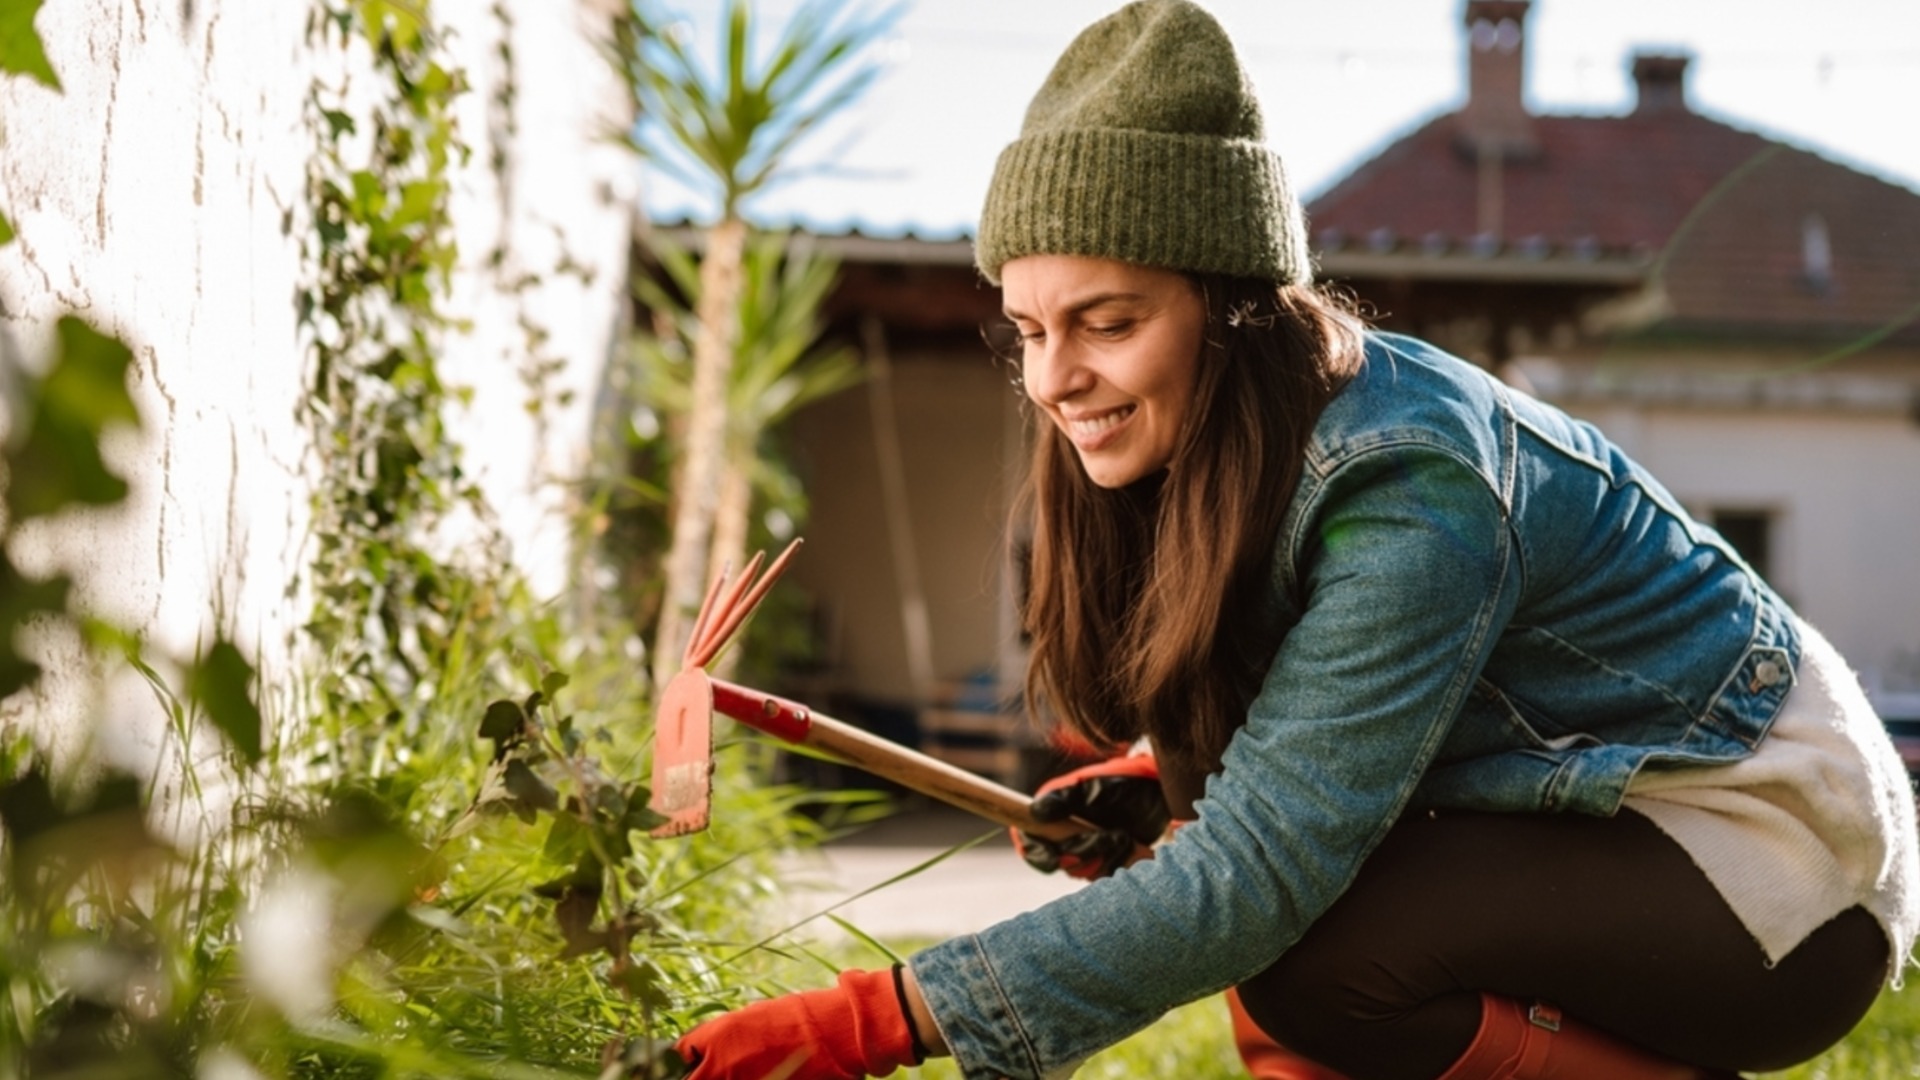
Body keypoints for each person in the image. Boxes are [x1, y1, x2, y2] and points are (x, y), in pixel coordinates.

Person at [672, 2, 1919, 1077]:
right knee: (1285, 916)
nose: (1057, 378)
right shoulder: (1219, 446)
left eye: (1104, 321)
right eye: (1028, 331)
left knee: (1310, 956)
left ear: (1230, 305)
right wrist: (1163, 780)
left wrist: (865, 1023)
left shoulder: (1411, 485)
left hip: (1775, 871)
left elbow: (1249, 880)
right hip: (1608, 821)